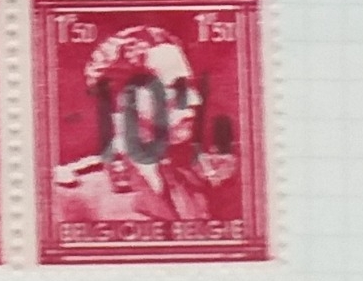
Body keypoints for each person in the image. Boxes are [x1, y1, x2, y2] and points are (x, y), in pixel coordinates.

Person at [52, 24, 234, 226]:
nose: (195, 100)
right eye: (176, 88)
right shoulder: (76, 195)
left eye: (191, 86)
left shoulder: (194, 186)